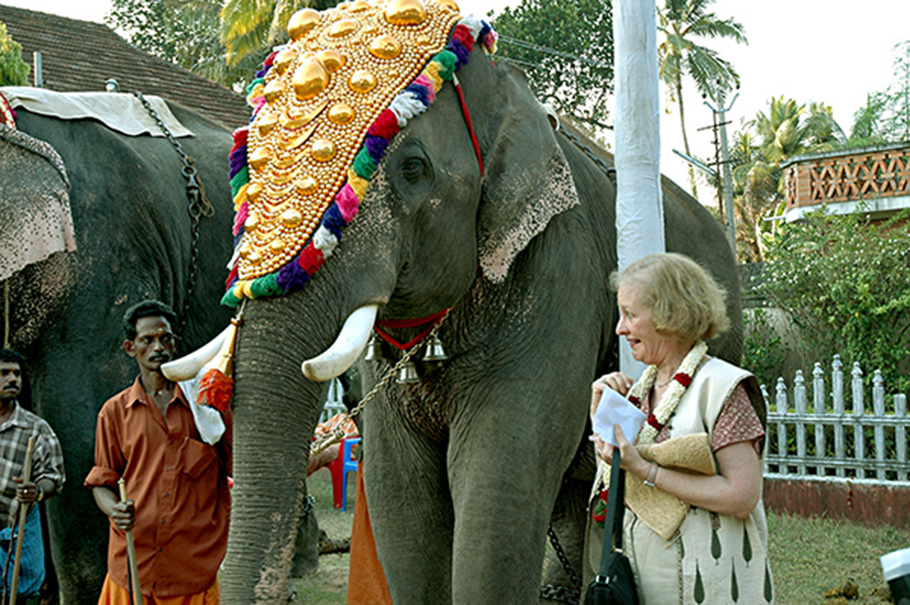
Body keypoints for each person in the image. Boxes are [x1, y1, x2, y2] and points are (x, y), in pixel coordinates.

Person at [585, 253, 774, 604]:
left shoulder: (722, 388)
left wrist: (647, 469)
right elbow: (616, 484)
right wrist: (602, 417)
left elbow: (743, 496)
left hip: (711, 588)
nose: (619, 329)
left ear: (669, 314)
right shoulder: (638, 391)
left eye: (630, 314)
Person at [85, 301, 232, 604]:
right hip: (132, 565)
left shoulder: (208, 406)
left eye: (165, 338)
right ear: (130, 347)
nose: (158, 347)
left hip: (192, 567)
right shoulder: (113, 412)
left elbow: (240, 467)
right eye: (147, 340)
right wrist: (114, 510)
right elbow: (102, 483)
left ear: (175, 343)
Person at [0, 349, 65, 604]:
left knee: (20, 595)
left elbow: (54, 476)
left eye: (17, 374)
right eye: (4, 373)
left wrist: (36, 491)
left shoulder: (35, 428)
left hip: (15, 528)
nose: (13, 379)